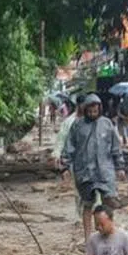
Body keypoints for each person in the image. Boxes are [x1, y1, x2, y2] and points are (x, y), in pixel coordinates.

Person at [61, 94, 126, 240]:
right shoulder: (77, 125)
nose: (92, 114)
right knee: (87, 204)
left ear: (99, 109)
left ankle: (108, 232)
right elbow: (69, 147)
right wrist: (65, 167)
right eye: (89, 111)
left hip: (105, 170)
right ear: (85, 110)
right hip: (84, 171)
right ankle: (88, 237)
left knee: (108, 202)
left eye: (95, 111)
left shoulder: (107, 124)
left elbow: (116, 147)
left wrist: (120, 166)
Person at [53, 94, 84, 230]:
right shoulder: (69, 122)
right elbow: (61, 139)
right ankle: (81, 215)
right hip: (74, 161)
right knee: (79, 190)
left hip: (91, 161)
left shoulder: (93, 121)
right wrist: (57, 156)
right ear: (78, 106)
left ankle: (93, 215)